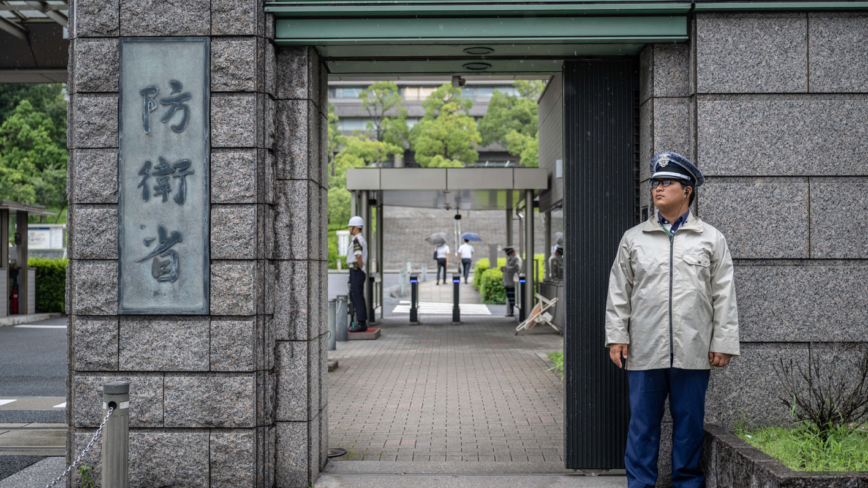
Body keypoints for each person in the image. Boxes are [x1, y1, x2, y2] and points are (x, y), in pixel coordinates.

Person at [605, 151, 740, 488]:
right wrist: (617, 336)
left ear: (687, 190)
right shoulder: (634, 238)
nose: (658, 189)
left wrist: (722, 342)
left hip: (693, 350)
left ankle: (687, 483)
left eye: (666, 182)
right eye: (655, 183)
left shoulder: (711, 238)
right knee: (642, 425)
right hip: (645, 349)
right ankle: (639, 484)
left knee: (689, 425)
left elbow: (724, 295)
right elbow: (619, 292)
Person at [347, 216, 368, 332]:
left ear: (355, 228)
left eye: (350, 227)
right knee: (357, 295)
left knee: (357, 296)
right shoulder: (359, 239)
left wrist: (359, 267)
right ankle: (360, 321)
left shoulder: (357, 240)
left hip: (356, 270)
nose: (349, 229)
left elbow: (358, 255)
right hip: (356, 271)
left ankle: (361, 323)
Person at [500, 246, 521, 317]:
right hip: (507, 282)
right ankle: (512, 312)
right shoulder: (509, 259)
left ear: (513, 252)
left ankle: (513, 312)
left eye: (509, 254)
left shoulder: (517, 259)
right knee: (510, 298)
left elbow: (517, 268)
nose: (508, 255)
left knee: (513, 298)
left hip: (512, 282)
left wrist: (505, 268)